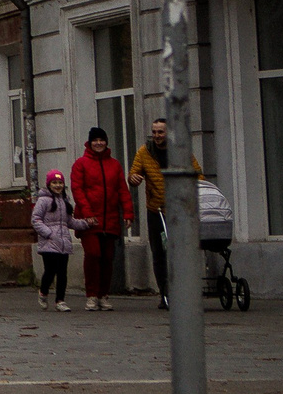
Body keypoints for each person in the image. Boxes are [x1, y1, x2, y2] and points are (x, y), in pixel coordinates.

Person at [130, 118, 202, 311]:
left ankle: (184, 292)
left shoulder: (180, 151)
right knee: (160, 255)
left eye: (160, 132)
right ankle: (165, 294)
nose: (156, 136)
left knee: (180, 253)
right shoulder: (144, 152)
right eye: (154, 132)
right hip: (156, 211)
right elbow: (134, 174)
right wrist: (134, 178)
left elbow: (198, 174)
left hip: (180, 213)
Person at [68, 125, 131, 312]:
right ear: (90, 142)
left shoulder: (115, 165)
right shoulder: (81, 164)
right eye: (95, 140)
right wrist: (88, 214)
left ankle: (103, 295)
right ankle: (91, 295)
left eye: (101, 140)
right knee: (93, 254)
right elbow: (77, 190)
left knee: (107, 258)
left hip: (110, 218)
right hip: (89, 220)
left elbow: (122, 190)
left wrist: (128, 212)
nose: (98, 143)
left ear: (106, 142)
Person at [31, 170, 77, 312]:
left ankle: (60, 301)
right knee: (50, 271)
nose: (58, 185)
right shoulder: (43, 200)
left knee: (62, 272)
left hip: (63, 242)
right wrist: (49, 233)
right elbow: (36, 220)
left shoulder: (65, 200)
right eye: (54, 183)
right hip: (49, 243)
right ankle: (43, 292)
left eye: (60, 183)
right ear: (49, 184)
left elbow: (69, 221)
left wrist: (86, 223)